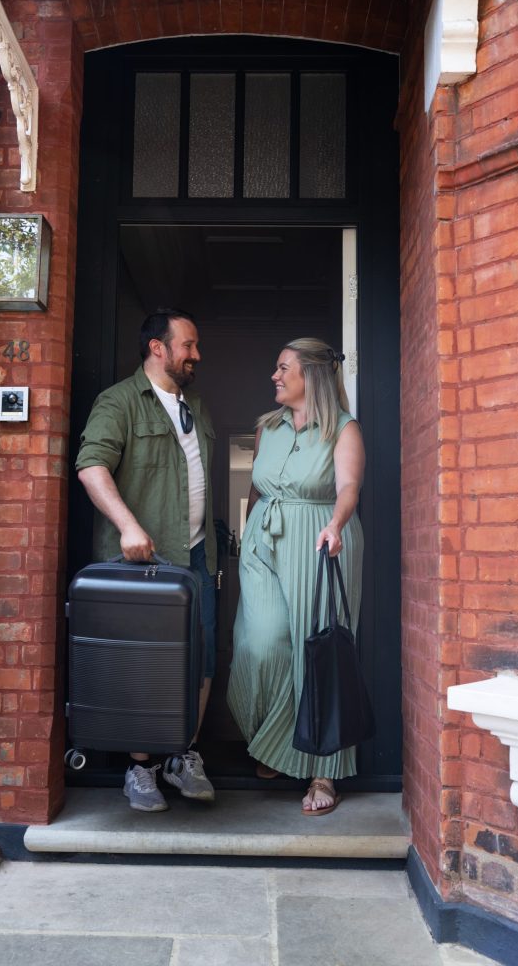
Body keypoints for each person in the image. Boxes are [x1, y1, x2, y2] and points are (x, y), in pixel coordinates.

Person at [76, 309, 217, 812]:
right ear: (158, 348)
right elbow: (91, 466)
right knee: (141, 664)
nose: (196, 354)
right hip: (144, 564)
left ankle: (182, 755)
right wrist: (128, 525)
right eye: (188, 345)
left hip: (196, 558)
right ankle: (142, 768)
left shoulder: (196, 406)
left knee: (201, 661)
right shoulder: (119, 402)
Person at [227, 337, 365, 816]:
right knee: (260, 643)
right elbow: (255, 489)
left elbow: (348, 487)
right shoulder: (267, 428)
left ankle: (323, 770)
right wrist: (247, 538)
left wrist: (337, 524)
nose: (275, 375)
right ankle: (272, 742)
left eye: (284, 368)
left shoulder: (343, 429)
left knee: (316, 650)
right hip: (263, 543)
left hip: (319, 540)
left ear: (313, 375)